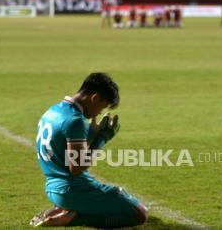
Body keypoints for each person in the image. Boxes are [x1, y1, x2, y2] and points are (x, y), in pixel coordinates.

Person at [30, 73, 148, 228]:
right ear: (95, 98)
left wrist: (90, 135)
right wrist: (102, 139)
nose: (99, 112)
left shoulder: (53, 111)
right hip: (73, 190)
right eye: (102, 106)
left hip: (53, 188)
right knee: (140, 214)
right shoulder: (75, 121)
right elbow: (77, 167)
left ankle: (65, 208)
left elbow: (62, 146)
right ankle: (74, 218)